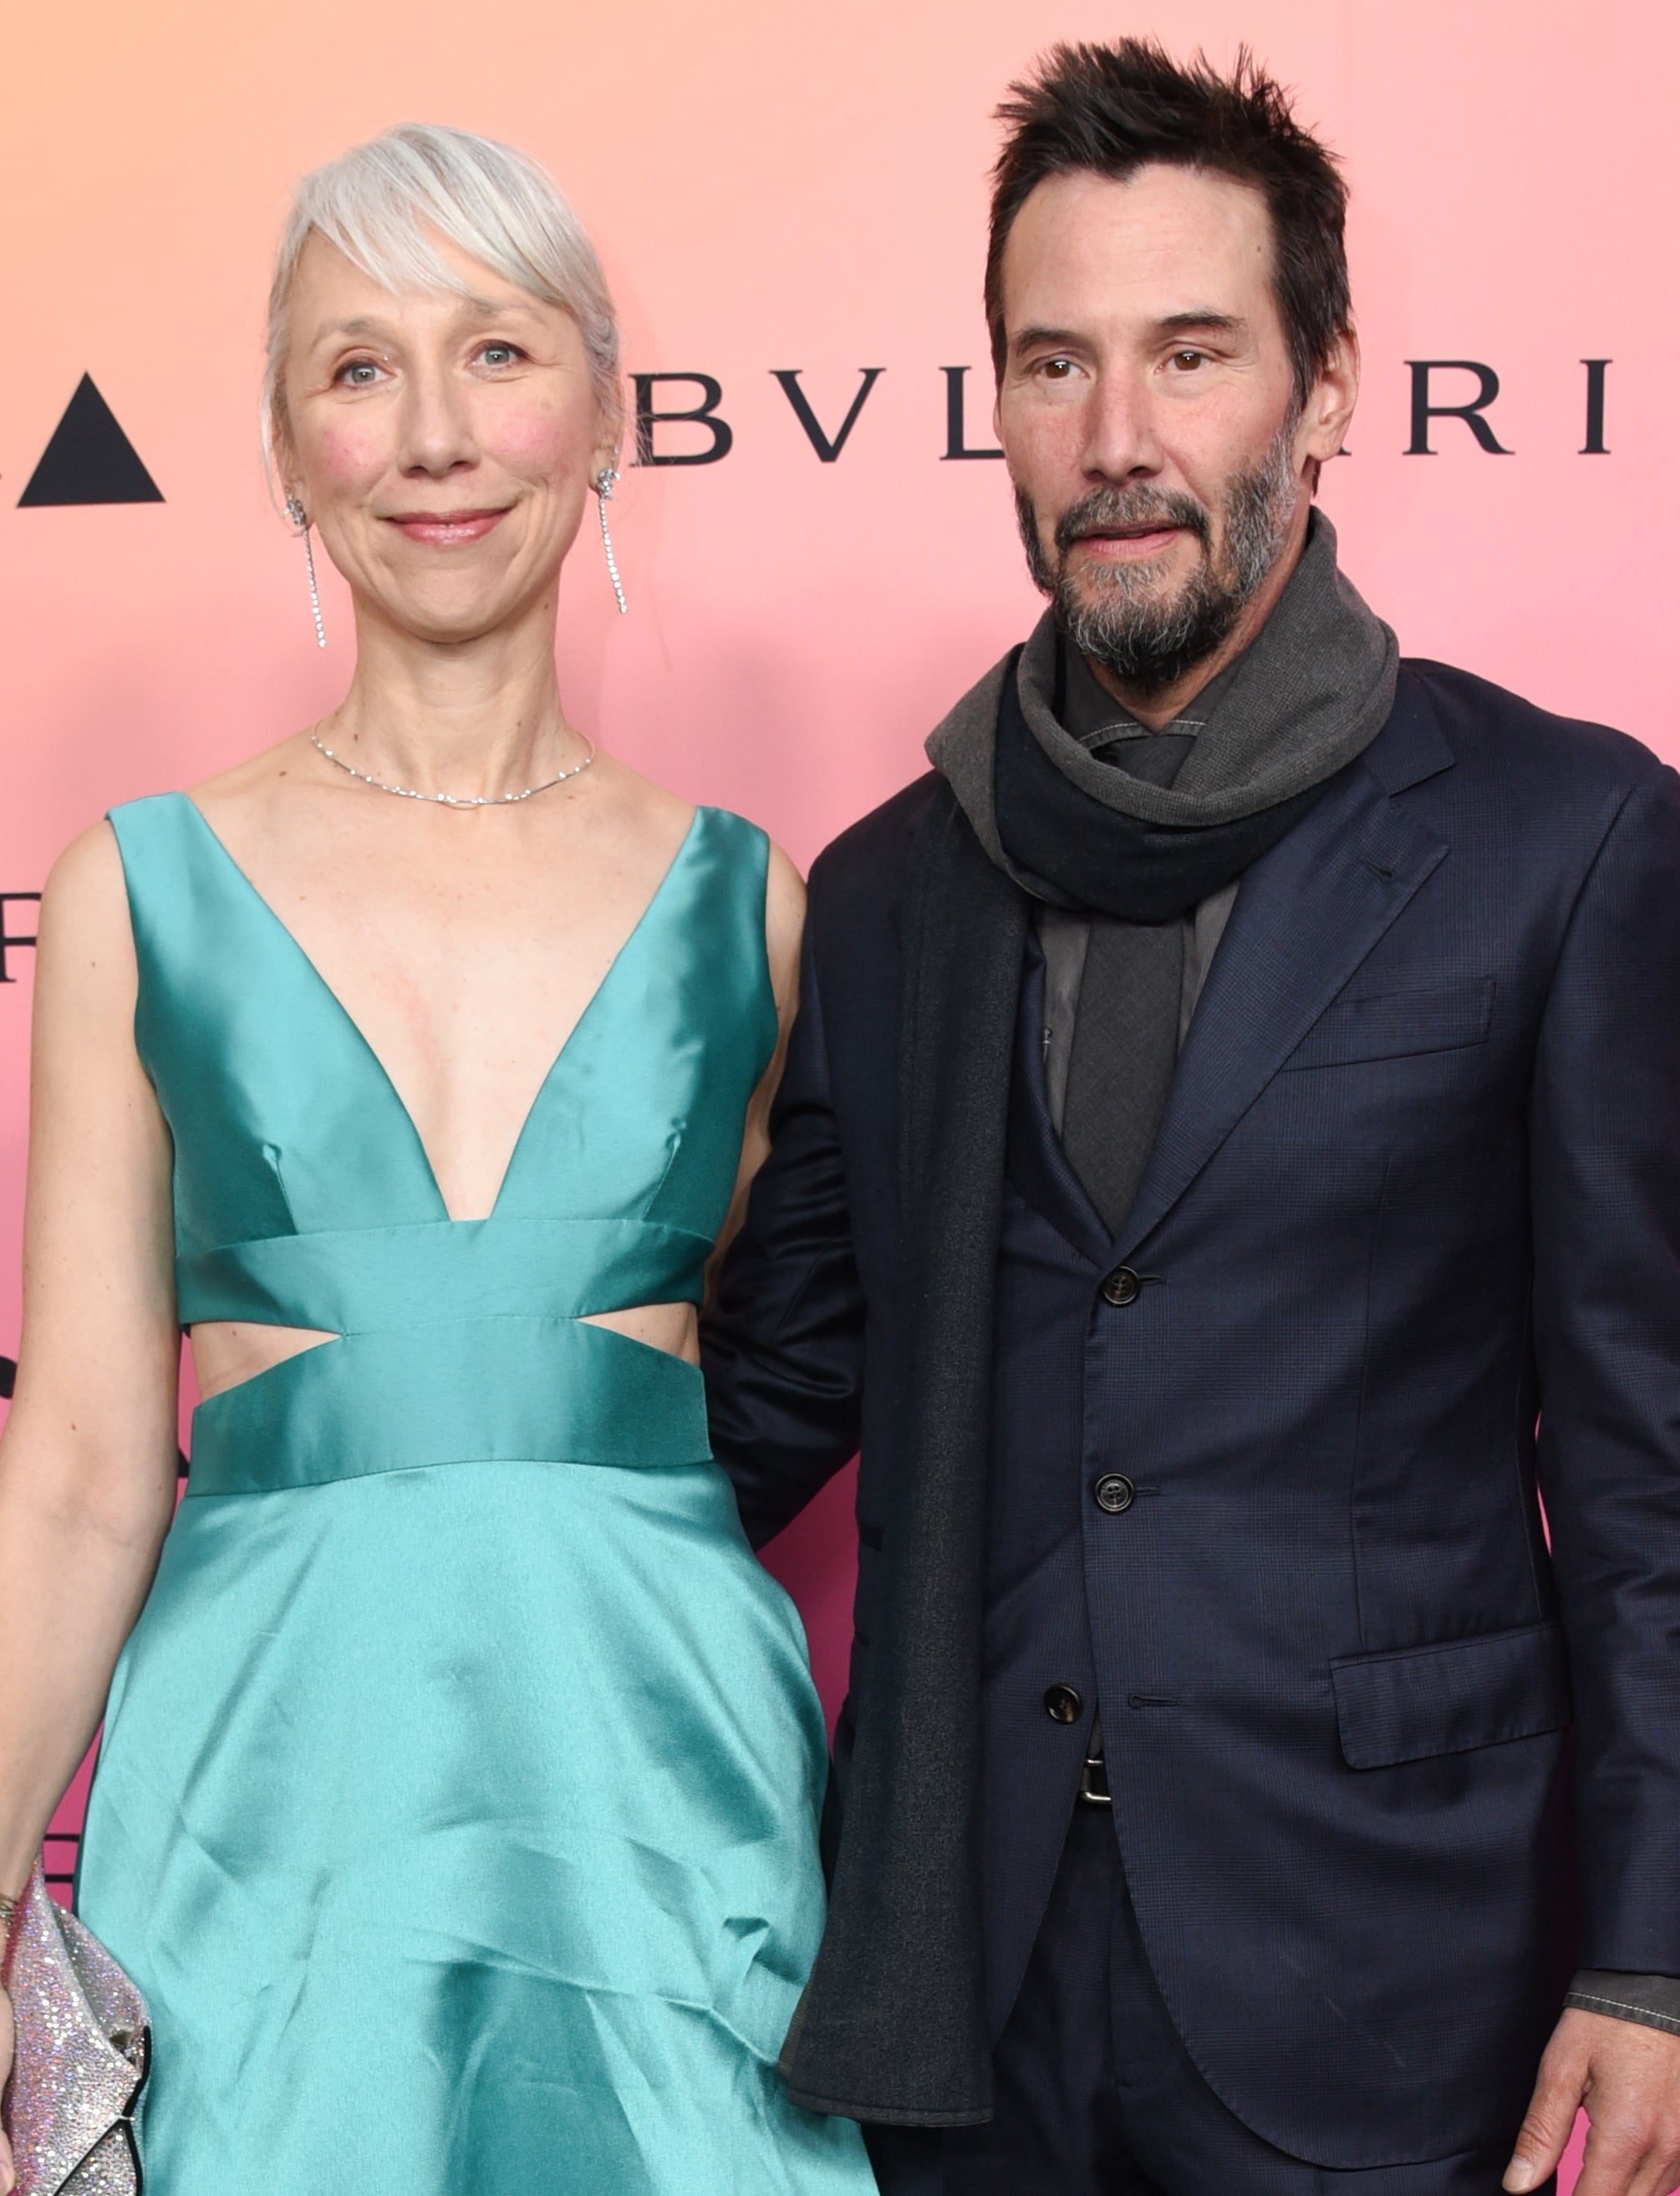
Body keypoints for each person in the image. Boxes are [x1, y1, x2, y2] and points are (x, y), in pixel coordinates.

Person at [703, 39, 1680, 2196]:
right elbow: (771, 1390)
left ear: (1329, 386)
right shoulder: (889, 887)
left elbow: (1648, 1473)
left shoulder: (1563, 837)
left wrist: (1658, 1966)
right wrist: (341, 1482)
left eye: (1192, 353)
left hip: (1401, 1969)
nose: (1118, 442)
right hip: (974, 1979)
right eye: (1054, 364)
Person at [0, 123, 876, 2196]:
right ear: (288, 444)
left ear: (602, 408)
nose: (433, 435)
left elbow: (787, 1379)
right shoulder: (137, 889)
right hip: (269, 1790)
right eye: (356, 366)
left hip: (658, 1775)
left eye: (494, 352)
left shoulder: (755, 905)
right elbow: (85, 1475)